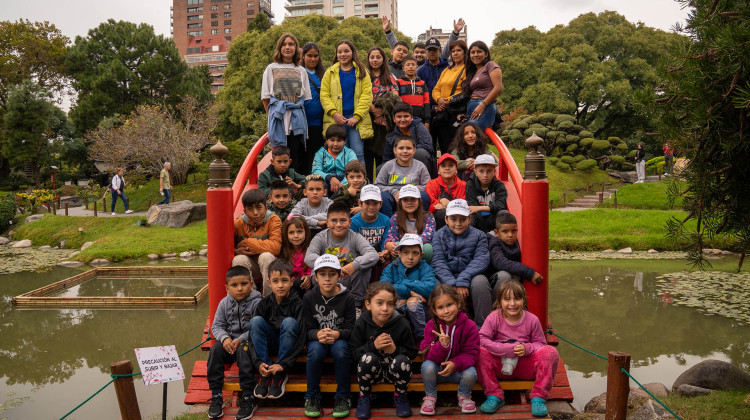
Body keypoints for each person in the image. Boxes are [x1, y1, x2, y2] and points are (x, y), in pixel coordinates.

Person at [476, 281, 559, 417]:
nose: (512, 304)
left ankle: (538, 397)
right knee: (479, 352)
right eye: (507, 299)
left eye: (517, 298)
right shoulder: (493, 318)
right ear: (499, 301)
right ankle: (494, 395)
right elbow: (482, 340)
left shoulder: (532, 320)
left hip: (524, 366)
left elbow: (540, 344)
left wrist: (527, 348)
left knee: (551, 352)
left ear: (524, 300)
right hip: (499, 365)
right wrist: (506, 349)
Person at [351, 282, 417, 419]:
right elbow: (354, 353)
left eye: (390, 304)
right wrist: (373, 346)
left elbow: (412, 353)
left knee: (402, 360)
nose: (385, 308)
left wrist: (394, 350)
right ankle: (364, 396)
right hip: (372, 374)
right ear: (368, 304)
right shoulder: (362, 322)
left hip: (395, 374)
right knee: (367, 358)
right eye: (379, 303)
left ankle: (400, 395)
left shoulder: (402, 323)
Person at [302, 254, 356, 418]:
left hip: (339, 338)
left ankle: (343, 396)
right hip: (317, 339)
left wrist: (337, 333)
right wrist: (318, 334)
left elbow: (351, 329)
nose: (327, 279)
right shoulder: (309, 297)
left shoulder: (348, 298)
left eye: (332, 274)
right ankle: (312, 397)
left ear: (339, 276)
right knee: (315, 351)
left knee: (340, 350)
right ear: (315, 277)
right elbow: (306, 329)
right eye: (322, 274)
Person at [207, 266, 262, 420]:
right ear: (227, 288)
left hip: (247, 344)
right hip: (229, 343)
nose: (239, 289)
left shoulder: (257, 303)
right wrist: (225, 339)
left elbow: (258, 328)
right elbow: (217, 326)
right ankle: (216, 395)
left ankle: (248, 397)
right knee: (215, 350)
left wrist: (240, 339)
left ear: (251, 285)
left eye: (244, 284)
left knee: (243, 352)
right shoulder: (224, 303)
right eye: (234, 285)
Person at [304, 202, 379, 310]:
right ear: (327, 222)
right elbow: (309, 257)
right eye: (334, 220)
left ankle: (355, 306)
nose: (338, 224)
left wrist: (353, 266)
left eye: (343, 220)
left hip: (345, 278)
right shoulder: (320, 237)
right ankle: (324, 302)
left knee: (363, 267)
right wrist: (332, 267)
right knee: (318, 270)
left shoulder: (355, 237)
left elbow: (373, 255)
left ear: (350, 222)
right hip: (327, 278)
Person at [249, 258, 305, 400]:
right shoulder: (264, 303)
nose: (280, 285)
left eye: (284, 280)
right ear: (269, 283)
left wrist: (284, 364)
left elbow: (302, 336)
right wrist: (257, 363)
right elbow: (252, 335)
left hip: (288, 348)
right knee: (255, 321)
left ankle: (279, 374)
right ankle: (266, 371)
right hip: (270, 344)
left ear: (292, 281)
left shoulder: (298, 303)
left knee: (290, 323)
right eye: (275, 281)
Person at [418, 284, 479, 416]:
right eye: (440, 307)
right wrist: (442, 346)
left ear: (458, 303)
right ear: (434, 310)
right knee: (427, 366)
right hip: (437, 372)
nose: (446, 311)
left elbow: (472, 354)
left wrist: (454, 364)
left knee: (471, 372)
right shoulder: (431, 326)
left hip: (458, 371)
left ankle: (464, 396)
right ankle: (430, 396)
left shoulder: (469, 325)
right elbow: (427, 354)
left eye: (449, 305)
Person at [475, 211, 543, 326]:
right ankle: (494, 309)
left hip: (505, 287)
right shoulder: (493, 242)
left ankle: (510, 310)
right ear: (496, 232)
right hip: (491, 282)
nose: (510, 235)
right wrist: (529, 273)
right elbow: (501, 263)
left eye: (514, 231)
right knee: (505, 275)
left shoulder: (516, 242)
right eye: (505, 231)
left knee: (515, 275)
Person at [431, 199, 490, 322]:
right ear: (446, 219)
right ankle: (437, 324)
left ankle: (483, 325)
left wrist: (463, 279)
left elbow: (481, 259)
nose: (458, 223)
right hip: (446, 276)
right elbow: (438, 261)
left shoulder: (479, 235)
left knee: (480, 281)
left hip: (470, 275)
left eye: (463, 219)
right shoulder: (438, 235)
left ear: (469, 219)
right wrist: (451, 283)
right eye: (453, 219)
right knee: (433, 283)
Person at [262, 33, 312, 175]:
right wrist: (271, 116)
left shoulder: (301, 70)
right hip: (278, 117)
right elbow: (265, 96)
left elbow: (305, 97)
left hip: (296, 116)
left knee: (296, 156)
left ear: (296, 48)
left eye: (291, 44)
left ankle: (294, 191)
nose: (287, 47)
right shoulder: (271, 68)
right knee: (279, 156)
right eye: (284, 44)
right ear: (280, 48)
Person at [320, 40, 373, 163]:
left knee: (357, 153)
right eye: (339, 52)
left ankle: (360, 182)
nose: (343, 54)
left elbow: (367, 96)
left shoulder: (362, 71)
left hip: (355, 121)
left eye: (346, 51)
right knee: (337, 154)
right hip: (336, 119)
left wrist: (357, 116)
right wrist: (334, 113)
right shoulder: (330, 72)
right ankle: (341, 182)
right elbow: (324, 95)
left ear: (352, 52)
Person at [380, 234, 436, 340]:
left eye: (415, 253)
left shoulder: (425, 268)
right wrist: (410, 292)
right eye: (406, 252)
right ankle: (395, 339)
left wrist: (405, 283)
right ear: (399, 254)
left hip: (421, 309)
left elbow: (430, 288)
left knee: (412, 302)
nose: (410, 257)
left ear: (421, 255)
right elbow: (384, 288)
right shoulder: (391, 268)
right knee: (395, 304)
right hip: (397, 304)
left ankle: (423, 337)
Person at [232, 189, 282, 296]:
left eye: (259, 208)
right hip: (252, 266)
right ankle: (251, 298)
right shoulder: (238, 224)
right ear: (244, 211)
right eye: (250, 209)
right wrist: (236, 250)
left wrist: (247, 242)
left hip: (270, 265)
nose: (255, 213)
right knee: (238, 259)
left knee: (266, 256)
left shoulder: (274, 220)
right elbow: (224, 248)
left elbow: (276, 247)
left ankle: (269, 299)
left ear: (266, 208)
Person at [365, 46, 399, 181]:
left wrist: (382, 112)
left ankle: (382, 186)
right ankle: (367, 187)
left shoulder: (390, 78)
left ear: (383, 59)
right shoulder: (363, 76)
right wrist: (373, 110)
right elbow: (359, 95)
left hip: (385, 123)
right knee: (368, 157)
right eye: (372, 57)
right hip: (368, 120)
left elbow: (395, 96)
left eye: (378, 57)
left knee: (383, 158)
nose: (375, 60)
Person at [375, 135, 431, 217]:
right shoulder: (388, 166)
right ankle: (389, 224)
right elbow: (377, 185)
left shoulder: (420, 166)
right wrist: (394, 191)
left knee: (424, 196)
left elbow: (428, 185)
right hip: (394, 197)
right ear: (395, 150)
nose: (405, 151)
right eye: (401, 148)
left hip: (413, 196)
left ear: (414, 150)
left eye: (408, 148)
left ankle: (420, 223)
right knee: (383, 196)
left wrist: (408, 191)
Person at [432, 38, 468, 153]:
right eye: (453, 51)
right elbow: (436, 89)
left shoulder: (467, 69)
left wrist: (446, 101)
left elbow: (465, 91)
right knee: (444, 145)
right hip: (443, 113)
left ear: (464, 53)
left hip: (456, 113)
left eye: (459, 50)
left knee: (456, 146)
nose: (455, 53)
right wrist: (439, 100)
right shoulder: (447, 70)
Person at [350, 184, 391, 282]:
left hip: (379, 253)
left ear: (381, 203)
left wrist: (383, 252)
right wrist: (373, 255)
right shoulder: (354, 222)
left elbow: (385, 241)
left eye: (375, 203)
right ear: (360, 203)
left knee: (387, 264)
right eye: (367, 203)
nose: (371, 207)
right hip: (361, 254)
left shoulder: (385, 220)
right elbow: (354, 245)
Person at [384, 185, 436, 261]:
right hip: (403, 250)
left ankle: (422, 269)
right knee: (395, 246)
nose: (409, 203)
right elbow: (391, 234)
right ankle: (400, 270)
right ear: (400, 202)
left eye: (413, 199)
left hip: (419, 250)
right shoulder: (395, 217)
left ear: (419, 201)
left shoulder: (428, 217)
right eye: (405, 200)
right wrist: (388, 243)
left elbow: (427, 236)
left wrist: (409, 244)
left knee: (427, 248)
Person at [383, 103, 435, 177]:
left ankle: (424, 182)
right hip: (399, 165)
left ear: (412, 117)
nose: (402, 120)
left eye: (406, 116)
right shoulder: (391, 136)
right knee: (381, 168)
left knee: (420, 153)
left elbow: (428, 146)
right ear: (394, 119)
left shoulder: (419, 126)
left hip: (420, 162)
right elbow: (386, 159)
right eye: (399, 117)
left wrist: (408, 151)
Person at [463, 41, 503, 131]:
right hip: (471, 109)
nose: (475, 55)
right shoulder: (473, 72)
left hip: (484, 107)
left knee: (471, 133)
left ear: (486, 54)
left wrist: (482, 105)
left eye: (479, 51)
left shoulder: (490, 65)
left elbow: (498, 88)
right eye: (472, 52)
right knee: (468, 139)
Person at [466, 154, 507, 232]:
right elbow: (472, 207)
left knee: (504, 214)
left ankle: (502, 242)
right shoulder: (470, 185)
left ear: (494, 171)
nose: (485, 175)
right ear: (475, 172)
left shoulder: (499, 185)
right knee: (469, 217)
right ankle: (470, 241)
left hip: (494, 219)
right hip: (477, 221)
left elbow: (500, 205)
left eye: (489, 171)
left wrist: (479, 208)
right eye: (481, 171)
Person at [312, 124, 357, 194]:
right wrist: (330, 178)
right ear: (327, 140)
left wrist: (342, 185)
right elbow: (315, 171)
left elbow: (353, 171)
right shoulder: (320, 153)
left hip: (345, 182)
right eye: (332, 140)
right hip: (326, 181)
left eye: (339, 140)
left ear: (345, 141)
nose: (335, 144)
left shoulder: (350, 153)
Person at [302, 42, 326, 171]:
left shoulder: (323, 73)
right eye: (309, 55)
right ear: (303, 56)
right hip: (303, 122)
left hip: (319, 122)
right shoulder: (299, 72)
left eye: (315, 56)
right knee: (302, 155)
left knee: (316, 156)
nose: (313, 59)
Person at [425, 154, 466, 229]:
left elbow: (465, 207)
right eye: (443, 166)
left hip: (459, 218)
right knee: (442, 213)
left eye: (451, 165)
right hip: (437, 219)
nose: (447, 168)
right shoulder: (431, 184)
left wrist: (447, 204)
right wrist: (441, 201)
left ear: (456, 169)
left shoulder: (463, 185)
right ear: (438, 171)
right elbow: (429, 208)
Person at [280, 216, 313, 298]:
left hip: (305, 286)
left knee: (300, 282)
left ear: (306, 232)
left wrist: (308, 276)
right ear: (286, 234)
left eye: (299, 232)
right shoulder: (283, 251)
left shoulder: (310, 249)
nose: (296, 236)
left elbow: (312, 266)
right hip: (288, 286)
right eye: (291, 233)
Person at [396, 56, 430, 129]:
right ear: (403, 68)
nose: (411, 67)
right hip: (404, 119)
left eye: (413, 64)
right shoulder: (399, 82)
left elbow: (426, 102)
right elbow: (396, 102)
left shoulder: (422, 83)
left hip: (420, 119)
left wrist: (427, 121)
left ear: (417, 67)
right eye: (408, 65)